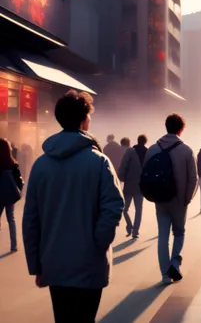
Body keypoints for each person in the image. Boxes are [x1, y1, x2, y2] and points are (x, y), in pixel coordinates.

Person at [22, 90, 124, 323]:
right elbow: (113, 206)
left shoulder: (41, 165)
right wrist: (98, 243)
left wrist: (36, 264)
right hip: (89, 263)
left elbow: (31, 219)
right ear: (85, 119)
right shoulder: (99, 162)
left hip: (54, 264)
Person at [145, 113, 197, 285]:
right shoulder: (187, 150)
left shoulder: (152, 149)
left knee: (163, 236)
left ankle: (165, 275)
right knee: (180, 232)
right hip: (179, 201)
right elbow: (193, 178)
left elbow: (146, 175)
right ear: (181, 129)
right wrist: (187, 198)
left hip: (160, 199)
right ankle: (175, 262)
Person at [118, 135, 148, 239]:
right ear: (145, 142)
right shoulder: (148, 153)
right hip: (141, 186)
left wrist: (120, 177)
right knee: (138, 209)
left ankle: (130, 226)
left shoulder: (130, 151)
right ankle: (135, 231)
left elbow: (124, 165)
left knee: (125, 209)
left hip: (129, 185)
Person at [0, 138, 24, 252]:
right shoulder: (12, 164)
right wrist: (16, 190)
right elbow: (20, 181)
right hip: (9, 195)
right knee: (11, 219)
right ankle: (14, 245)